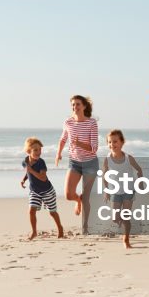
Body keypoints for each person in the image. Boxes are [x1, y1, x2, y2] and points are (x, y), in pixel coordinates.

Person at [55, 95, 99, 234]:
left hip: (90, 163)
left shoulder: (92, 123)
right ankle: (77, 200)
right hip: (74, 162)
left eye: (78, 104)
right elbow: (63, 139)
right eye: (73, 105)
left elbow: (94, 148)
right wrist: (58, 153)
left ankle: (86, 226)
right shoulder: (68, 122)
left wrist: (79, 143)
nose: (75, 107)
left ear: (84, 106)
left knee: (87, 197)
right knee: (68, 195)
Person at [102, 129, 143, 248]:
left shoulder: (128, 158)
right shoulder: (107, 159)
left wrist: (140, 182)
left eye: (115, 141)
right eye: (109, 142)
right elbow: (104, 176)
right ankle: (124, 225)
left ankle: (126, 240)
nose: (112, 144)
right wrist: (106, 191)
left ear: (121, 142)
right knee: (115, 218)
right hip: (115, 191)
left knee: (126, 216)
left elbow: (139, 169)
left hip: (128, 190)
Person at [21, 137, 64, 240]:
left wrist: (31, 171)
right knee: (31, 210)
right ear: (28, 151)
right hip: (34, 191)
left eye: (40, 149)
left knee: (52, 212)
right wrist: (23, 179)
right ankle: (34, 232)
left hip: (47, 191)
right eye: (35, 150)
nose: (38, 152)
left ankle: (60, 228)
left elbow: (43, 178)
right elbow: (28, 172)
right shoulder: (25, 162)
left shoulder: (41, 162)